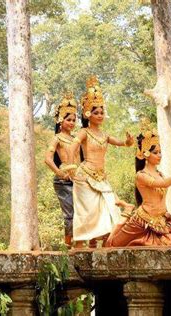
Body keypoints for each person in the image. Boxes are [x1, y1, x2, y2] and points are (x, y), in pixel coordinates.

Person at [67, 76, 134, 248]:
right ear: (88, 114)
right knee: (87, 211)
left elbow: (120, 143)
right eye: (96, 112)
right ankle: (80, 243)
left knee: (109, 207)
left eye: (102, 112)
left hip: (101, 177)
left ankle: (103, 240)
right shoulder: (84, 132)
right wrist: (70, 165)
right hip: (84, 176)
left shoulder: (104, 135)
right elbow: (73, 146)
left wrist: (128, 142)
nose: (100, 115)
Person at [106, 125, 171, 246]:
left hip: (162, 221)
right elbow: (164, 184)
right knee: (112, 245)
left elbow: (163, 184)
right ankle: (127, 211)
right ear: (146, 154)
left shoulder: (160, 174)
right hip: (142, 221)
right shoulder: (141, 175)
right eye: (155, 152)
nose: (159, 155)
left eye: (160, 152)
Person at [44, 92, 79, 248]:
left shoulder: (75, 139)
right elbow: (47, 159)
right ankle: (68, 244)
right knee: (70, 213)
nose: (71, 123)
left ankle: (80, 242)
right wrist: (60, 173)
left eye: (73, 120)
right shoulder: (57, 138)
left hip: (78, 178)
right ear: (60, 120)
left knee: (82, 210)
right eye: (68, 119)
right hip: (63, 180)